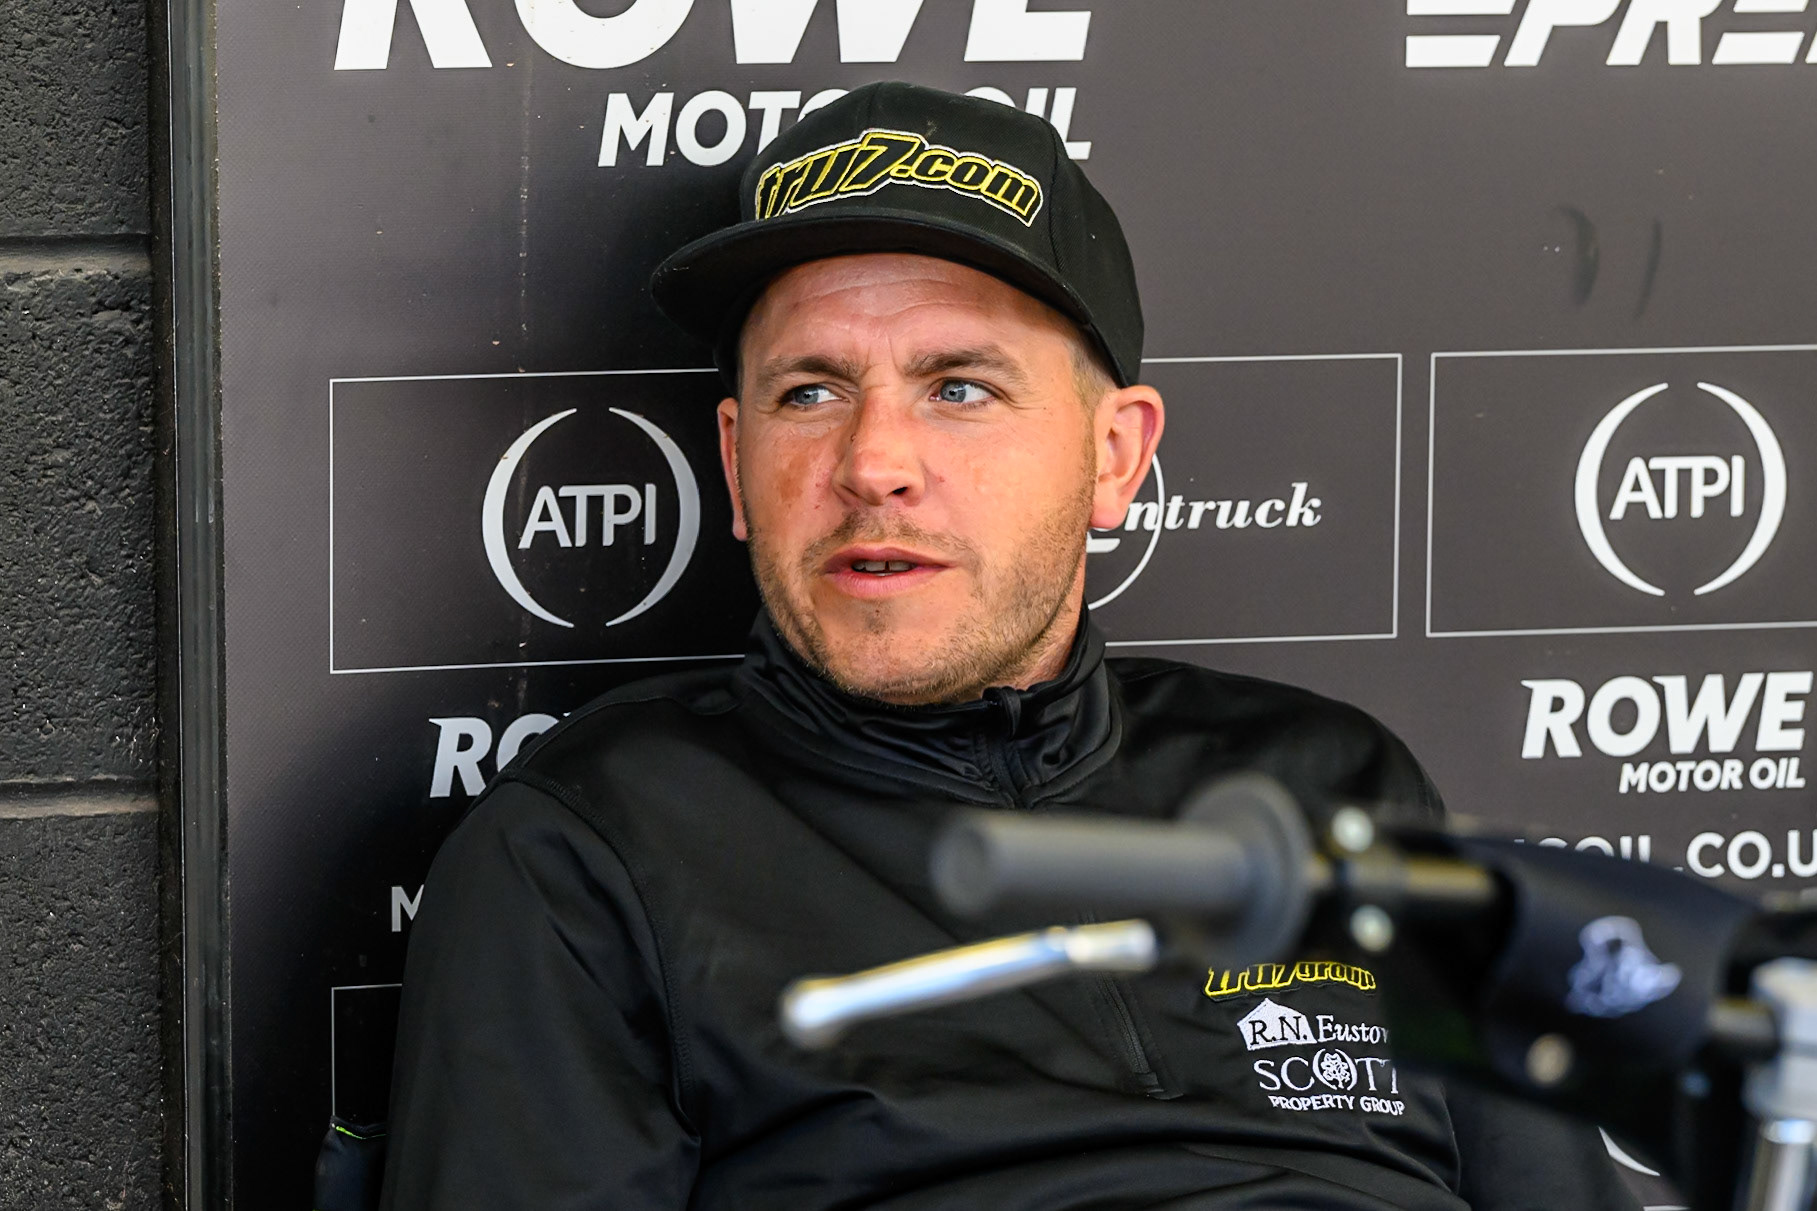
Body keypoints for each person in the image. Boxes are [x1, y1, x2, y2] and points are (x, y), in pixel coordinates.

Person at [380, 82, 1638, 1210]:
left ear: (1114, 455)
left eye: (959, 388)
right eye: (807, 390)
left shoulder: (1336, 779)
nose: (872, 462)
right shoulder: (587, 850)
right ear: (736, 463)